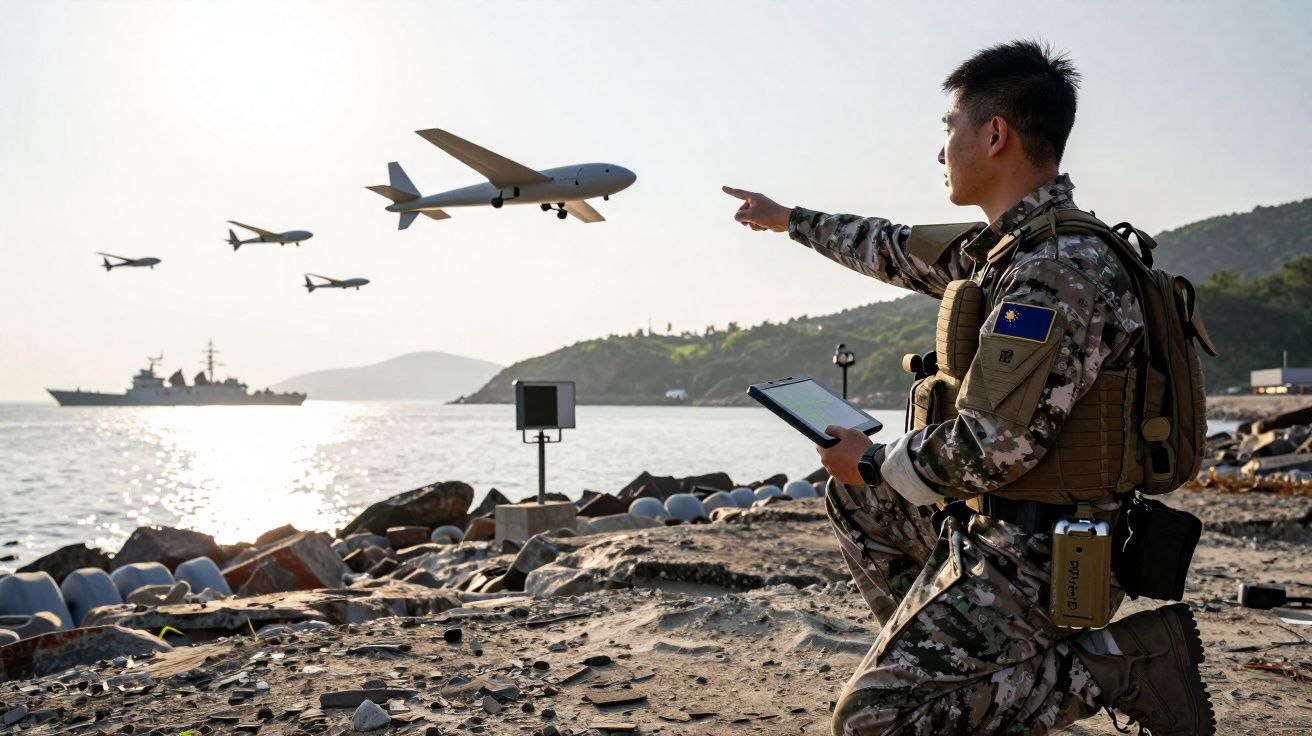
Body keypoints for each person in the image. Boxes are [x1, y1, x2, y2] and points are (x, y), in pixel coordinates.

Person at [724, 40, 1214, 735]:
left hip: (1049, 554)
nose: (940, 151)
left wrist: (873, 457)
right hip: (996, 522)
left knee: (872, 721)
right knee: (856, 499)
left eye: (948, 129)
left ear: (994, 134)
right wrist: (790, 221)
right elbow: (891, 245)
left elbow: (997, 445)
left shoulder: (1057, 270)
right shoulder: (1006, 252)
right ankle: (957, 671)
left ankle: (1113, 664)